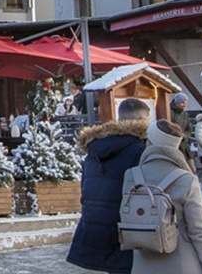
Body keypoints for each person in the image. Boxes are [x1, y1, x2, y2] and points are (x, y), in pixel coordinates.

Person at [124, 119, 202, 274]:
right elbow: (199, 232)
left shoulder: (131, 176)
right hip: (182, 263)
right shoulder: (187, 180)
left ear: (150, 142)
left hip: (142, 263)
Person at [66, 97, 151, 273]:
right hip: (127, 227)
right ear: (142, 120)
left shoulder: (94, 149)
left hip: (96, 225)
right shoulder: (139, 150)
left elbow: (85, 191)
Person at [170, 93, 196, 171]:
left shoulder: (184, 114)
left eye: (185, 103)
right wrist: (178, 134)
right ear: (177, 102)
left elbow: (189, 128)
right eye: (182, 102)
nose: (184, 105)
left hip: (185, 144)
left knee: (192, 169)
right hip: (175, 144)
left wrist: (185, 135)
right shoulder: (170, 112)